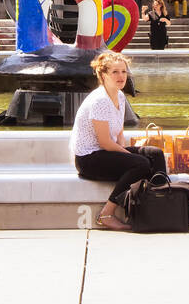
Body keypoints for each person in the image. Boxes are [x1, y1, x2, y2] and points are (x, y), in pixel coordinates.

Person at [71, 51, 165, 231]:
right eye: (115, 72)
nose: (121, 76)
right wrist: (131, 156)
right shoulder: (100, 101)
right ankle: (106, 213)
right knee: (142, 164)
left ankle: (158, 208)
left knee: (155, 154)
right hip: (89, 159)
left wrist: (128, 155)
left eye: (123, 71)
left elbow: (119, 134)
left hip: (106, 152)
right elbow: (105, 143)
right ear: (103, 75)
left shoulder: (120, 96)